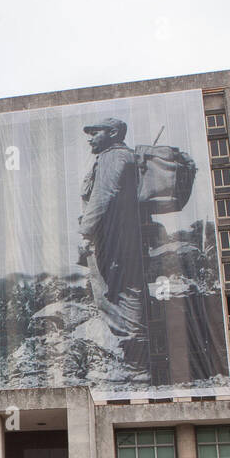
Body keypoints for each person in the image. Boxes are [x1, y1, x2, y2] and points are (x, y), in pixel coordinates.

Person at [78, 117, 149, 374]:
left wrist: (86, 231)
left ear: (113, 133)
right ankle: (136, 362)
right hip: (123, 236)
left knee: (119, 293)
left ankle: (136, 365)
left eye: (95, 132)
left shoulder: (113, 157)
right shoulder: (122, 157)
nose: (90, 138)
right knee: (124, 291)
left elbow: (102, 197)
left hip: (115, 239)